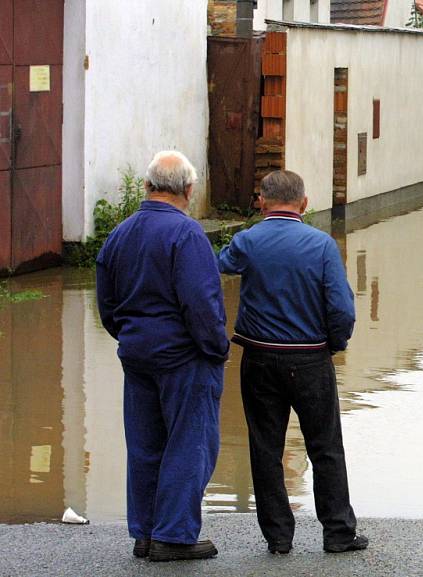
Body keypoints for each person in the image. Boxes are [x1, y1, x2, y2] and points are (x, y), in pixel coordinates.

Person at [218, 170, 367, 555]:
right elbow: (341, 309)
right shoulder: (321, 245)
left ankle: (278, 537)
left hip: (259, 357)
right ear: (304, 203)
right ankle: (338, 533)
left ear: (261, 203)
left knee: (265, 447)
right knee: (325, 447)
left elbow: (222, 264)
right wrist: (333, 345)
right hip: (310, 358)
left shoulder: (248, 241)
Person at [96, 151, 229, 562]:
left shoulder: (119, 234)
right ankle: (174, 535)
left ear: (147, 186)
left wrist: (131, 336)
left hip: (136, 355)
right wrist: (217, 349)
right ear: (189, 190)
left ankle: (146, 533)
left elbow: (107, 304)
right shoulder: (187, 236)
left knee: (145, 445)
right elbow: (201, 306)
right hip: (183, 357)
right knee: (189, 443)